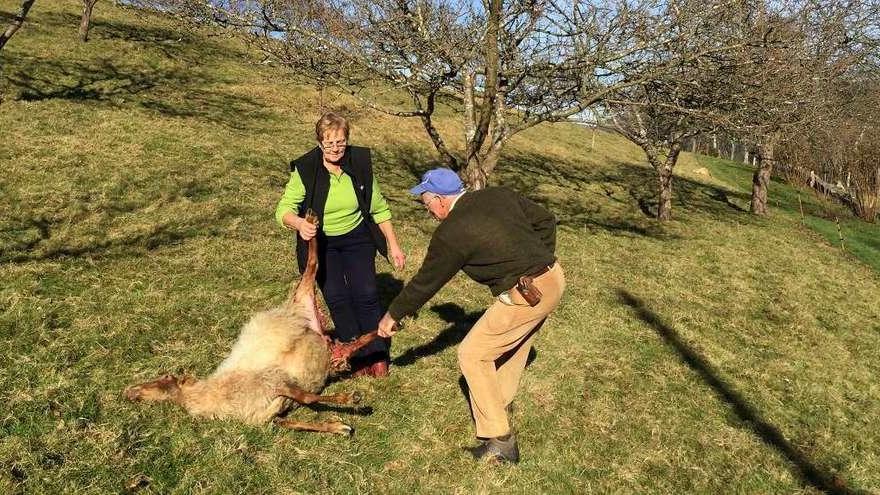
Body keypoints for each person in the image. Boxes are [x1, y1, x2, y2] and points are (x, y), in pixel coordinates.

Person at [377, 168, 565, 463]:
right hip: (554, 279)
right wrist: (539, 262)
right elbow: (546, 220)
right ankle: (499, 404)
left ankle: (501, 441)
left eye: (427, 204)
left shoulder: (451, 233)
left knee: (472, 354)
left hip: (527, 294)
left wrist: (393, 314)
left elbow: (426, 282)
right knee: (515, 347)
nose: (428, 211)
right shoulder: (497, 194)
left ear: (440, 200)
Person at [276, 112, 406, 378]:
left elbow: (379, 208)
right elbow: (283, 210)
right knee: (337, 297)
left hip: (357, 237)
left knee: (366, 294)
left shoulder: (359, 163)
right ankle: (355, 355)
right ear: (319, 143)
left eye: (341, 142)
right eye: (329, 143)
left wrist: (394, 245)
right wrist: (299, 224)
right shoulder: (306, 169)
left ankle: (377, 355)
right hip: (324, 242)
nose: (336, 149)